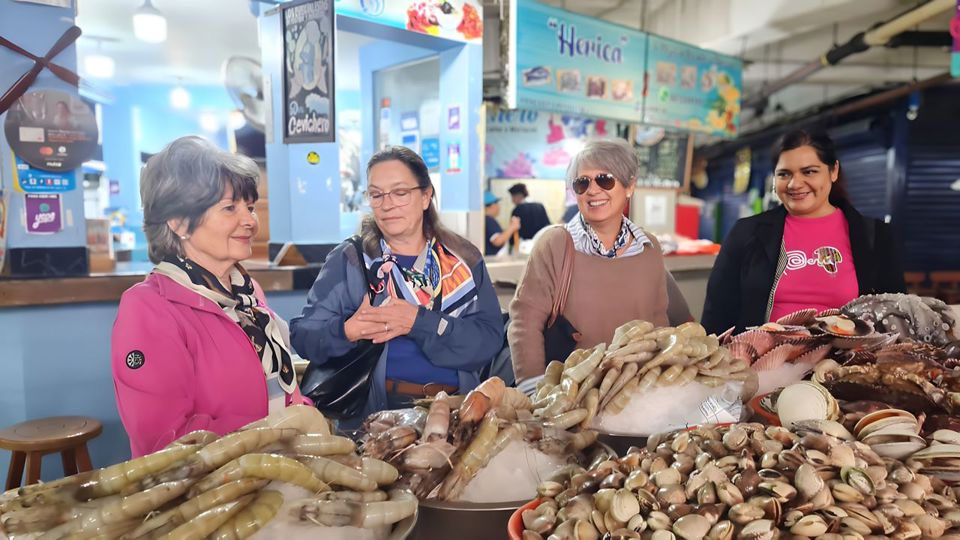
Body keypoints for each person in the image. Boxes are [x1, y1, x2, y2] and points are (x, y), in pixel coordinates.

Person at [112, 136, 308, 457]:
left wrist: (305, 416)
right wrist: (280, 430)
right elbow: (166, 440)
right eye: (230, 208)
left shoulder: (246, 291)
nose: (249, 221)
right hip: (214, 495)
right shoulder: (148, 309)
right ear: (178, 222)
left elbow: (282, 389)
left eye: (250, 206)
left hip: (280, 466)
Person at [291, 146, 504, 416]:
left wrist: (419, 322)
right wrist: (346, 331)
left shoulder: (462, 259)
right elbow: (303, 336)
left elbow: (488, 340)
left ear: (426, 196)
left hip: (456, 410)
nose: (387, 204)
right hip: (374, 414)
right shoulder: (353, 259)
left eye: (400, 193)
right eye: (376, 194)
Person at [509, 138, 692, 392]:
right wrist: (534, 393)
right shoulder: (555, 244)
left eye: (605, 179)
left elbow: (657, 322)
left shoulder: (648, 247)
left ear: (629, 187)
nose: (593, 190)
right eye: (582, 183)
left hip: (635, 394)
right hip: (569, 397)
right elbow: (524, 321)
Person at [701, 129, 906, 335]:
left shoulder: (876, 237)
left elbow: (894, 317)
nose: (795, 184)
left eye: (809, 172)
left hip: (847, 364)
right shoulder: (746, 233)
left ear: (833, 171)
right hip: (762, 362)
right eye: (784, 174)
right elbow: (716, 314)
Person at [483, 190, 520, 256]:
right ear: (492, 205)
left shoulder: (485, 220)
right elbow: (497, 241)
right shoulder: (489, 220)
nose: (499, 207)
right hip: (493, 259)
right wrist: (512, 227)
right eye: (497, 203)